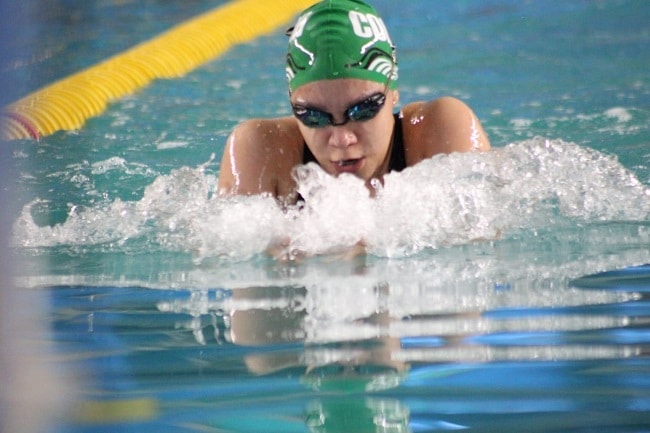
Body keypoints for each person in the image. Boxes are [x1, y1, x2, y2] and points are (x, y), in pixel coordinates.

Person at [218, 0, 490, 204]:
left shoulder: (438, 131)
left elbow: (482, 251)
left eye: (362, 110)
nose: (341, 139)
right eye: (313, 116)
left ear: (393, 91)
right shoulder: (263, 151)